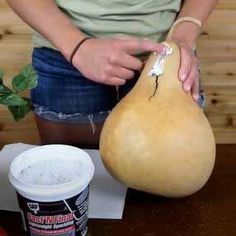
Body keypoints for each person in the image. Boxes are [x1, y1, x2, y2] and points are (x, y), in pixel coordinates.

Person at [7, 0, 219, 148]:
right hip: (66, 53)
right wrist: (77, 46)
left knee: (166, 193)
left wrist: (184, 32)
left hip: (166, 55)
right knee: (79, 184)